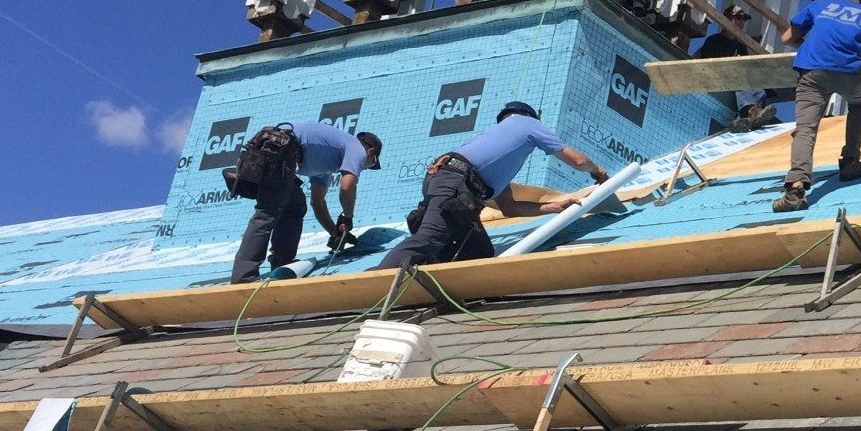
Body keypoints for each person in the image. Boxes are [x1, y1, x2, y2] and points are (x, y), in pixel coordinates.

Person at [377, 101, 609, 269]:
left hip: (456, 185)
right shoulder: (527, 123)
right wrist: (597, 171)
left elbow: (509, 208)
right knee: (431, 237)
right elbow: (578, 161)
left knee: (480, 250)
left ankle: (427, 270)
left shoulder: (496, 161)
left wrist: (553, 207)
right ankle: (378, 279)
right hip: (455, 182)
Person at [772, 0, 861, 211]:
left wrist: (810, 43)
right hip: (849, 74)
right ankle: (850, 160)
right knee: (860, 104)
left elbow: (787, 38)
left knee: (806, 129)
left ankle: (795, 188)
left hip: (812, 72)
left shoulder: (820, 6)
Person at [229, 121, 382, 283]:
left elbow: (317, 202)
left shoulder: (326, 163)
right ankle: (243, 276)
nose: (366, 168)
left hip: (272, 148)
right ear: (371, 152)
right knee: (267, 213)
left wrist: (334, 232)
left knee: (295, 205)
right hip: (280, 150)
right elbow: (347, 187)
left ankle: (282, 261)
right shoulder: (357, 148)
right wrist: (347, 217)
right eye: (372, 164)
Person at [695, 3, 776, 132]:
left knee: (752, 78)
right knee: (739, 75)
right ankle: (751, 111)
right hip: (714, 77)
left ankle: (746, 117)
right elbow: (710, 64)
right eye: (738, 18)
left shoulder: (740, 45)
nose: (742, 22)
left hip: (733, 81)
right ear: (727, 19)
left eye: (744, 19)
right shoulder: (714, 40)